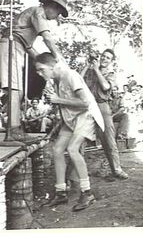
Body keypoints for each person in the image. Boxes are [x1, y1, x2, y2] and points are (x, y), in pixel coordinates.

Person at [35, 52, 104, 211]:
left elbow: (85, 103)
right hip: (72, 118)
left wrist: (58, 100)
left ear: (52, 66)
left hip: (86, 116)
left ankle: (87, 192)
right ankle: (61, 193)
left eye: (41, 69)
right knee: (57, 149)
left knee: (72, 149)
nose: (39, 73)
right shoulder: (56, 80)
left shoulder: (70, 75)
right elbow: (66, 105)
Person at [0, 0, 68, 142]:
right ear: (52, 7)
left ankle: (15, 128)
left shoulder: (32, 22)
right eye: (58, 12)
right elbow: (47, 37)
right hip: (11, 47)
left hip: (18, 48)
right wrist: (58, 57)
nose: (56, 17)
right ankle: (13, 130)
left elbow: (29, 48)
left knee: (18, 91)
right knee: (15, 90)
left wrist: (47, 63)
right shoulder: (38, 11)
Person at [80, 49, 129, 179]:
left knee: (108, 139)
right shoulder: (89, 71)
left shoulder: (111, 74)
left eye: (108, 58)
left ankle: (116, 169)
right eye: (103, 56)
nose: (104, 59)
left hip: (102, 106)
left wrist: (96, 69)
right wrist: (87, 64)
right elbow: (78, 80)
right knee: (79, 138)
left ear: (111, 61)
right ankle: (75, 175)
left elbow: (106, 87)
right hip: (88, 106)